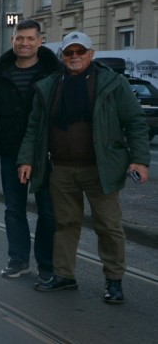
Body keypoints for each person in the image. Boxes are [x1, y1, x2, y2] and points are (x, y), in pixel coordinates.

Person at [19, 32, 150, 304]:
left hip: (101, 168)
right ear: (62, 56)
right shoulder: (49, 86)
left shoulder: (112, 83)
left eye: (80, 52)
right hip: (62, 169)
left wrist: (140, 159)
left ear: (91, 54)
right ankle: (64, 275)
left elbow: (135, 122)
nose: (75, 57)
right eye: (69, 53)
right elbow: (34, 128)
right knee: (65, 224)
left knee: (108, 226)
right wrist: (27, 159)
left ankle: (114, 281)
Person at [0, 19, 62, 280]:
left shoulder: (55, 73)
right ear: (13, 40)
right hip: (10, 149)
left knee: (48, 211)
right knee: (13, 209)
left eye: (30, 38)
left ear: (40, 41)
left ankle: (46, 264)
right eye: (20, 38)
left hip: (45, 153)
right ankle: (18, 259)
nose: (25, 43)